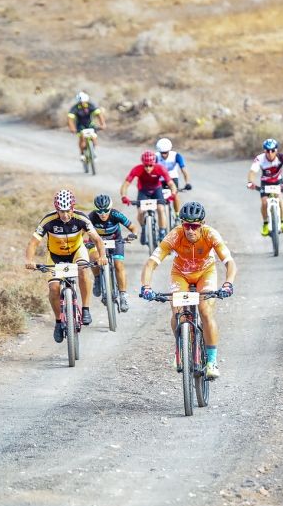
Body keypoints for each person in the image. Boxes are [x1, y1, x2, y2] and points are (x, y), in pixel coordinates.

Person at [139, 201, 236, 379]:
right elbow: (151, 263)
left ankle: (212, 361)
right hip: (181, 274)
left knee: (205, 312)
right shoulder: (175, 236)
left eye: (194, 226)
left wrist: (228, 283)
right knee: (178, 312)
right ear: (181, 224)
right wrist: (146, 286)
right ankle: (180, 348)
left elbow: (229, 262)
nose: (190, 230)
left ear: (202, 224)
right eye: (186, 225)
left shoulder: (210, 234)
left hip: (205, 273)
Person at [24, 190, 108, 342]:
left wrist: (102, 256)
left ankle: (86, 309)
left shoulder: (81, 218)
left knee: (83, 270)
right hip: (55, 256)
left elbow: (97, 239)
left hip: (77, 251)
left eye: (68, 210)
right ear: (57, 209)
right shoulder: (48, 220)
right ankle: (58, 322)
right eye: (61, 211)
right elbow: (33, 242)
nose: (65, 215)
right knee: (54, 288)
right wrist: (29, 260)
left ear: (72, 208)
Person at [86, 194, 138, 313]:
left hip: (115, 241)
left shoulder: (115, 214)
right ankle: (98, 278)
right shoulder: (91, 217)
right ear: (95, 210)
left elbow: (133, 227)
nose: (103, 214)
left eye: (106, 210)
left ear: (110, 208)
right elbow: (82, 232)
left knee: (118, 264)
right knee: (93, 258)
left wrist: (133, 235)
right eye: (100, 211)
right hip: (96, 242)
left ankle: (123, 295)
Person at [120, 150, 178, 242]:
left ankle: (162, 232)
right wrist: (124, 196)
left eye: (150, 165)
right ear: (143, 164)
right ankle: (143, 229)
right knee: (140, 211)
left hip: (156, 190)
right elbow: (125, 185)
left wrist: (173, 193)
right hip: (143, 190)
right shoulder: (137, 169)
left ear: (154, 164)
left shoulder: (160, 168)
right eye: (145, 165)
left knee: (160, 208)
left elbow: (171, 183)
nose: (148, 168)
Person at [246, 138, 283, 236]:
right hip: (265, 182)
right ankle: (265, 224)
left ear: (276, 150)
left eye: (272, 150)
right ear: (264, 150)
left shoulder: (282, 157)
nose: (270, 153)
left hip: (278, 181)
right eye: (267, 150)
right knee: (264, 202)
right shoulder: (260, 158)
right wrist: (250, 182)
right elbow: (252, 172)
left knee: (279, 198)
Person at [156, 137, 192, 215]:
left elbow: (184, 170)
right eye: (162, 153)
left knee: (175, 194)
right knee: (158, 197)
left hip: (172, 177)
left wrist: (187, 183)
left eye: (166, 152)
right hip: (160, 178)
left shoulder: (176, 156)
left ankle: (177, 214)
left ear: (169, 150)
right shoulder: (155, 156)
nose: (164, 155)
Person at [67, 92, 106, 161]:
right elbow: (70, 119)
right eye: (81, 102)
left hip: (90, 124)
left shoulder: (90, 105)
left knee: (94, 138)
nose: (83, 103)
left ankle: (92, 152)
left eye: (84, 102)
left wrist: (102, 124)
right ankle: (82, 154)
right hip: (80, 125)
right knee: (82, 139)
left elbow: (99, 114)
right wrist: (72, 128)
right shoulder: (75, 108)